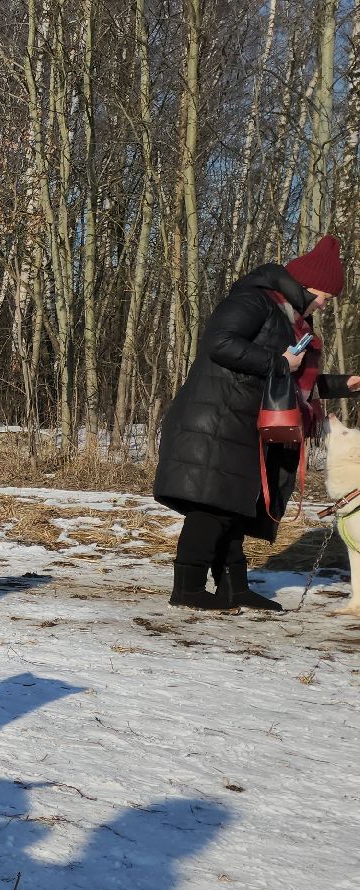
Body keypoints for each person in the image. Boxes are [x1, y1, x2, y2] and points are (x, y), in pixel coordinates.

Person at [154, 234, 359, 610]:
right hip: (216, 419)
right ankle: (188, 588)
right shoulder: (254, 300)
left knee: (234, 508)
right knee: (211, 508)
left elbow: (293, 381)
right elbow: (220, 344)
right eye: (325, 297)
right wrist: (278, 361)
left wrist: (346, 385)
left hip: (244, 422)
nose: (325, 305)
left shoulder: (292, 321)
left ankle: (234, 588)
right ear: (306, 286)